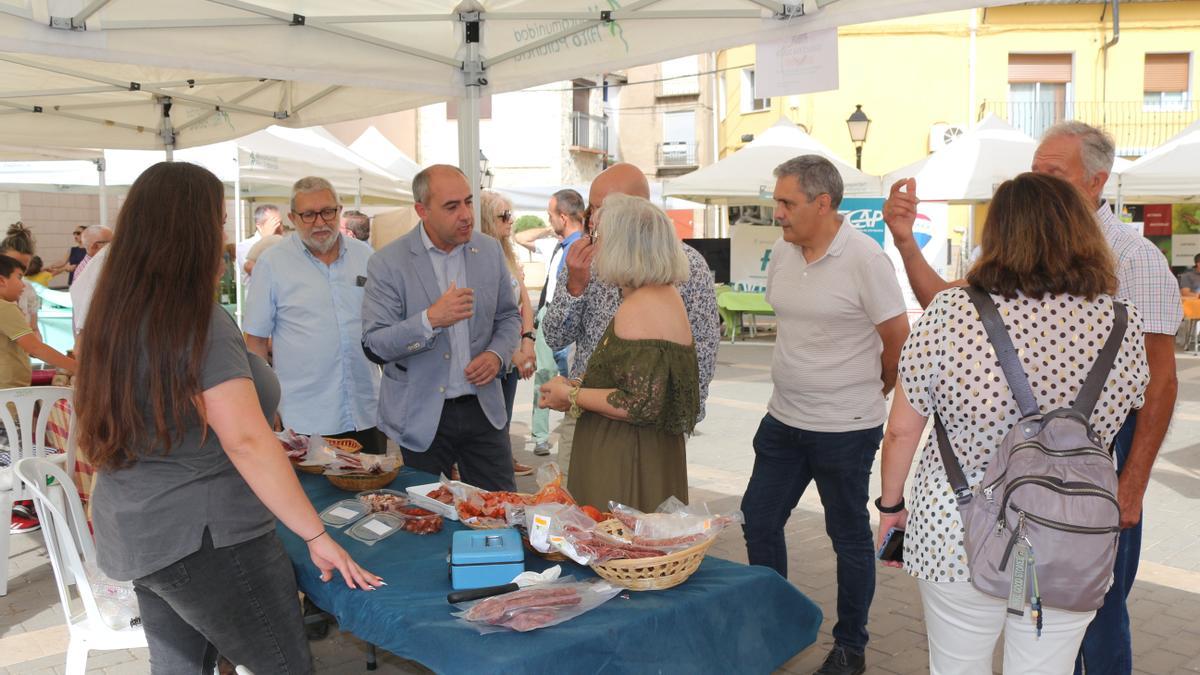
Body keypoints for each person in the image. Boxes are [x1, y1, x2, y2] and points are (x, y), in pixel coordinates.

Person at [883, 121, 1180, 674]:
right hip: (1067, 528)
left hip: (956, 529)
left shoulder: (953, 313)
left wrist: (891, 507)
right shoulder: (1121, 322)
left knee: (958, 666)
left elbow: (902, 428)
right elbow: (1138, 397)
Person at [73, 162, 379, 674]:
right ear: (189, 231)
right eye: (215, 221)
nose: (220, 235)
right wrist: (315, 537)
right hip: (207, 536)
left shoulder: (117, 309)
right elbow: (245, 441)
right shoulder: (195, 320)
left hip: (141, 530)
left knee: (180, 667)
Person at [739, 155, 908, 675]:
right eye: (777, 201)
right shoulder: (784, 251)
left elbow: (897, 340)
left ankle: (851, 646)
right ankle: (776, 626)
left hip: (844, 428)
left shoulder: (865, 258)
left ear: (823, 203)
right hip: (783, 420)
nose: (778, 213)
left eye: (787, 203)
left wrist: (874, 387)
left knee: (848, 536)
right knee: (759, 519)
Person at [542, 163, 719, 478]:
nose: (591, 220)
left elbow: (702, 352)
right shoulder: (584, 258)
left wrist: (680, 419)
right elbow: (555, 336)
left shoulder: (686, 266)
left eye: (601, 209)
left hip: (650, 431)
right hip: (583, 418)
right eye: (591, 209)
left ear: (639, 209)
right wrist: (574, 287)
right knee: (577, 515)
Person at [361, 165, 521, 491]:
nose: (466, 215)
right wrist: (429, 320)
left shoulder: (488, 250)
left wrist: (496, 355)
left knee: (502, 511)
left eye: (467, 202)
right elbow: (375, 343)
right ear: (422, 210)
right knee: (424, 516)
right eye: (452, 206)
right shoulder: (389, 262)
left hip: (483, 409)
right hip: (421, 416)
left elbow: (508, 317)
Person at [244, 177, 383, 453]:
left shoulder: (365, 256)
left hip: (365, 410)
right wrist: (264, 404)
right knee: (312, 497)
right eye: (308, 214)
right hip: (303, 417)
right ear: (293, 218)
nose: (320, 222)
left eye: (327, 211)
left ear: (339, 210)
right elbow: (255, 342)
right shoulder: (273, 263)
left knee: (371, 495)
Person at [0, 253, 78, 535]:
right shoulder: (4, 308)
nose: (23, 286)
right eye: (19, 278)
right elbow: (35, 348)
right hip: (8, 404)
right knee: (30, 454)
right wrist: (78, 367)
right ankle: (21, 504)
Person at [522, 190, 585, 458]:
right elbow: (521, 238)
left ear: (562, 216)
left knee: (568, 378)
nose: (549, 222)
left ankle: (572, 433)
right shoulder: (558, 245)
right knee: (545, 376)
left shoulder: (582, 248)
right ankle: (541, 436)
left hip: (571, 316)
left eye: (551, 216)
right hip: (548, 314)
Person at [479, 190, 536, 477]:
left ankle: (503, 458)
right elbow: (484, 314)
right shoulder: (478, 255)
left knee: (505, 412)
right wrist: (511, 349)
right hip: (492, 351)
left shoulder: (507, 252)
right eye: (504, 216)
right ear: (488, 219)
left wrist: (529, 340)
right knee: (491, 416)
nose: (510, 221)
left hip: (512, 348)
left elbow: (523, 299)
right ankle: (497, 464)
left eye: (509, 214)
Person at [1, 223, 42, 338]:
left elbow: (34, 329)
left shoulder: (27, 289)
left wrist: (37, 341)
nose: (17, 271)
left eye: (23, 268)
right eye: (11, 264)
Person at [235, 204, 282, 285]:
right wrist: (268, 240)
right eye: (274, 223)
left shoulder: (283, 244)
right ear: (259, 226)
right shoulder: (245, 246)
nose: (279, 228)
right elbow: (259, 272)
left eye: (280, 223)